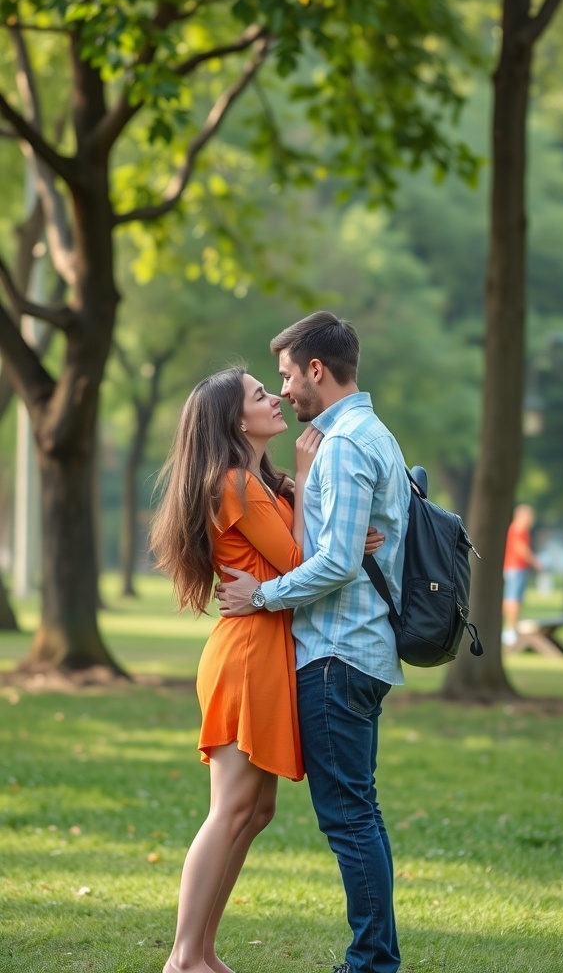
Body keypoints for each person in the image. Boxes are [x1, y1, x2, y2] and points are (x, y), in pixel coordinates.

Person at [150, 365, 383, 973]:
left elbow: (302, 556)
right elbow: (303, 558)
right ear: (235, 420)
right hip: (248, 653)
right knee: (230, 809)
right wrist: (308, 483)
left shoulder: (259, 482)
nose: (275, 397)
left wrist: (344, 536)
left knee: (256, 811)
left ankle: (202, 951)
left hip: (266, 648)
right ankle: (182, 959)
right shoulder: (237, 484)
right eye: (260, 394)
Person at [217, 312, 410, 973]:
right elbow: (341, 548)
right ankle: (374, 957)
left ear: (317, 371)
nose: (285, 390)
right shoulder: (360, 436)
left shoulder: (348, 443)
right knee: (359, 813)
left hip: (337, 653)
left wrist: (259, 596)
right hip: (355, 649)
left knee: (350, 818)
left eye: (287, 376)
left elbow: (335, 563)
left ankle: (371, 963)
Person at [502, 503, 542, 647]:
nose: (532, 519)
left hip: (514, 568)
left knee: (513, 598)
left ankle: (511, 628)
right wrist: (535, 562)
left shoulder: (518, 529)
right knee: (513, 599)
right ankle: (510, 630)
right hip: (515, 568)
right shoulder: (519, 529)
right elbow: (521, 549)